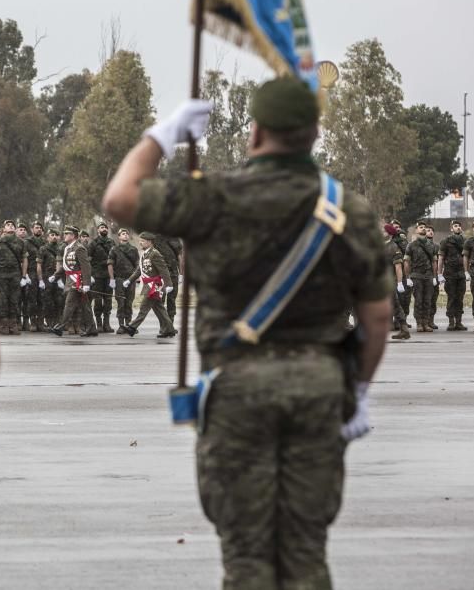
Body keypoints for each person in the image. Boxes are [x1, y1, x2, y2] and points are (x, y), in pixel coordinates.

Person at [103, 77, 391, 589]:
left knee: (246, 559)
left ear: (255, 132)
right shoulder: (349, 209)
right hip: (318, 389)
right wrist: (361, 390)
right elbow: (377, 317)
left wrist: (163, 135)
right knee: (306, 551)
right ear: (314, 133)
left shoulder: (212, 197)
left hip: (235, 391)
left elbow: (120, 200)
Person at [120, 232, 176, 338]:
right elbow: (139, 270)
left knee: (144, 308)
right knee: (159, 309)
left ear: (149, 242)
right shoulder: (145, 253)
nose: (140, 243)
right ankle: (169, 330)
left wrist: (169, 284)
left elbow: (164, 270)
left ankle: (132, 327)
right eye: (140, 240)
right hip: (148, 285)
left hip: (154, 286)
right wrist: (129, 280)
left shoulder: (155, 254)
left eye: (143, 241)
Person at [47, 225, 97, 337]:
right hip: (71, 281)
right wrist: (55, 276)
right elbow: (66, 266)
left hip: (78, 282)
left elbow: (86, 267)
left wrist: (87, 284)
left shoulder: (79, 248)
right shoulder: (68, 248)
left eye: (67, 233)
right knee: (85, 306)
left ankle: (60, 327)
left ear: (73, 235)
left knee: (69, 304)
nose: (64, 235)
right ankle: (92, 328)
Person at [0, 220, 27, 335]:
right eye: (8, 225)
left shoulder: (21, 242)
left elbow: (24, 260)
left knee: (15, 299)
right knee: (3, 299)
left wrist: (24, 276)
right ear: (4, 229)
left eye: (12, 225)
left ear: (15, 229)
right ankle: (4, 325)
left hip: (16, 274)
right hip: (2, 274)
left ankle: (14, 324)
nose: (10, 226)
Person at [404, 222, 437, 333]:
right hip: (416, 275)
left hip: (428, 276)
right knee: (418, 300)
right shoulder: (411, 245)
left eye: (424, 227)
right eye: (421, 227)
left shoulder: (431, 245)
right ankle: (419, 323)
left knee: (428, 300)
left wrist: (434, 276)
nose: (423, 229)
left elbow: (434, 262)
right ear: (416, 230)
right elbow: (407, 262)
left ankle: (426, 323)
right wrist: (408, 277)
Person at [107, 228, 139, 332]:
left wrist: (136, 278)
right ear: (119, 236)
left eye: (126, 234)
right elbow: (110, 264)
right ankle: (121, 325)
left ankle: (128, 324)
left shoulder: (133, 249)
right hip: (119, 279)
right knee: (120, 302)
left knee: (129, 302)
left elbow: (138, 265)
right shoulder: (114, 249)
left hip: (130, 279)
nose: (125, 235)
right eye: (123, 234)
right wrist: (112, 279)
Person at [437, 220, 467, 330]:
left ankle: (458, 322)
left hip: (461, 274)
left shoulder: (465, 241)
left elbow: (468, 257)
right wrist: (439, 274)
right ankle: (451, 322)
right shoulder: (446, 241)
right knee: (451, 297)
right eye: (455, 226)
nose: (458, 227)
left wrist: (467, 271)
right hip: (450, 274)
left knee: (460, 298)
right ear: (451, 229)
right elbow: (441, 258)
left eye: (459, 226)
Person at [384, 224, 409, 340]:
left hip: (389, 282)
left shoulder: (393, 247)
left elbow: (398, 266)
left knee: (395, 305)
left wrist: (399, 283)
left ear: (388, 234)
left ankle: (404, 330)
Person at [89, 221, 115, 333]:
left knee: (108, 300)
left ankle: (107, 324)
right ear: (98, 230)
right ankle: (99, 324)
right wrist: (90, 275)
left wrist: (114, 276)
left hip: (109, 276)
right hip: (97, 276)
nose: (104, 229)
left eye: (105, 227)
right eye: (102, 227)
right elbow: (88, 261)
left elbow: (116, 259)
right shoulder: (93, 243)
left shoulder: (112, 242)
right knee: (98, 300)